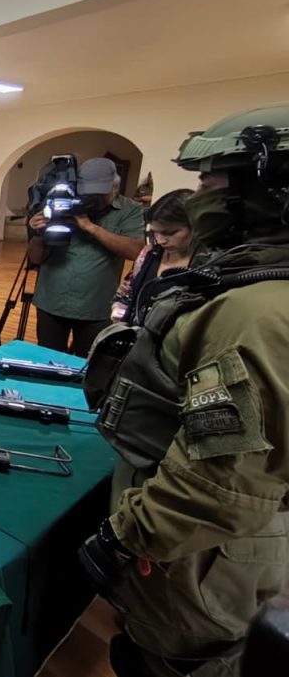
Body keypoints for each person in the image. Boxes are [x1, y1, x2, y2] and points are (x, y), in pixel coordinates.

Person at [78, 104, 289, 677]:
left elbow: (218, 482)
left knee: (175, 661)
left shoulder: (252, 313)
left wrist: (124, 538)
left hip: (195, 562)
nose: (197, 200)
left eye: (209, 185)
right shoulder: (254, 287)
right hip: (216, 547)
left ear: (265, 191)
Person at [28, 157, 145, 357]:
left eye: (99, 193)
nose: (93, 198)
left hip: (95, 307)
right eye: (87, 192)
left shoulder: (129, 209)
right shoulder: (61, 203)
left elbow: (136, 251)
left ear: (115, 187)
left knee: (88, 364)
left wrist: (90, 227)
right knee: (47, 360)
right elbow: (36, 258)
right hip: (52, 301)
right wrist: (37, 233)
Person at [111, 188, 194, 323]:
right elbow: (127, 290)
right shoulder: (149, 253)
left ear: (195, 226)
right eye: (155, 232)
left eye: (170, 233)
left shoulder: (206, 264)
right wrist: (119, 309)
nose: (160, 240)